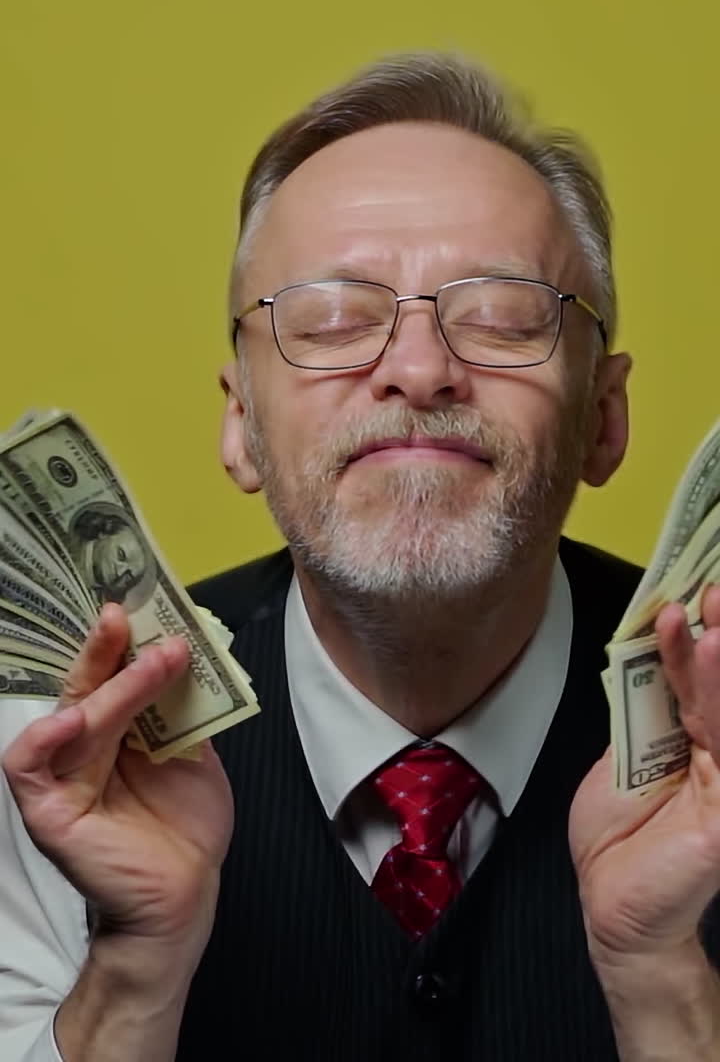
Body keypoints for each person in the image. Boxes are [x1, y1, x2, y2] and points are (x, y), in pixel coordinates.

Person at [2, 52, 720, 1062]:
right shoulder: (61, 752)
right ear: (242, 425)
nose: (420, 369)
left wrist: (662, 980)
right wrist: (134, 970)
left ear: (603, 415)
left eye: (502, 314)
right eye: (334, 318)